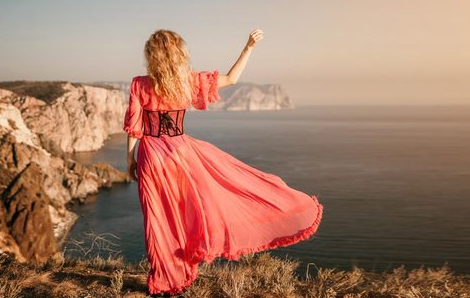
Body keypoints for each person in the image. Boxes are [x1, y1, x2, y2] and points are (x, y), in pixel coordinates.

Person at [123, 29, 323, 296]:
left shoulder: (139, 84)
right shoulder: (187, 83)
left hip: (152, 157)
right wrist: (248, 48)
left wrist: (130, 159)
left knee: (158, 220)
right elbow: (231, 78)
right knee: (188, 213)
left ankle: (165, 279)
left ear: (152, 56)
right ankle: (180, 272)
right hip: (181, 154)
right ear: (178, 54)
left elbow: (135, 128)